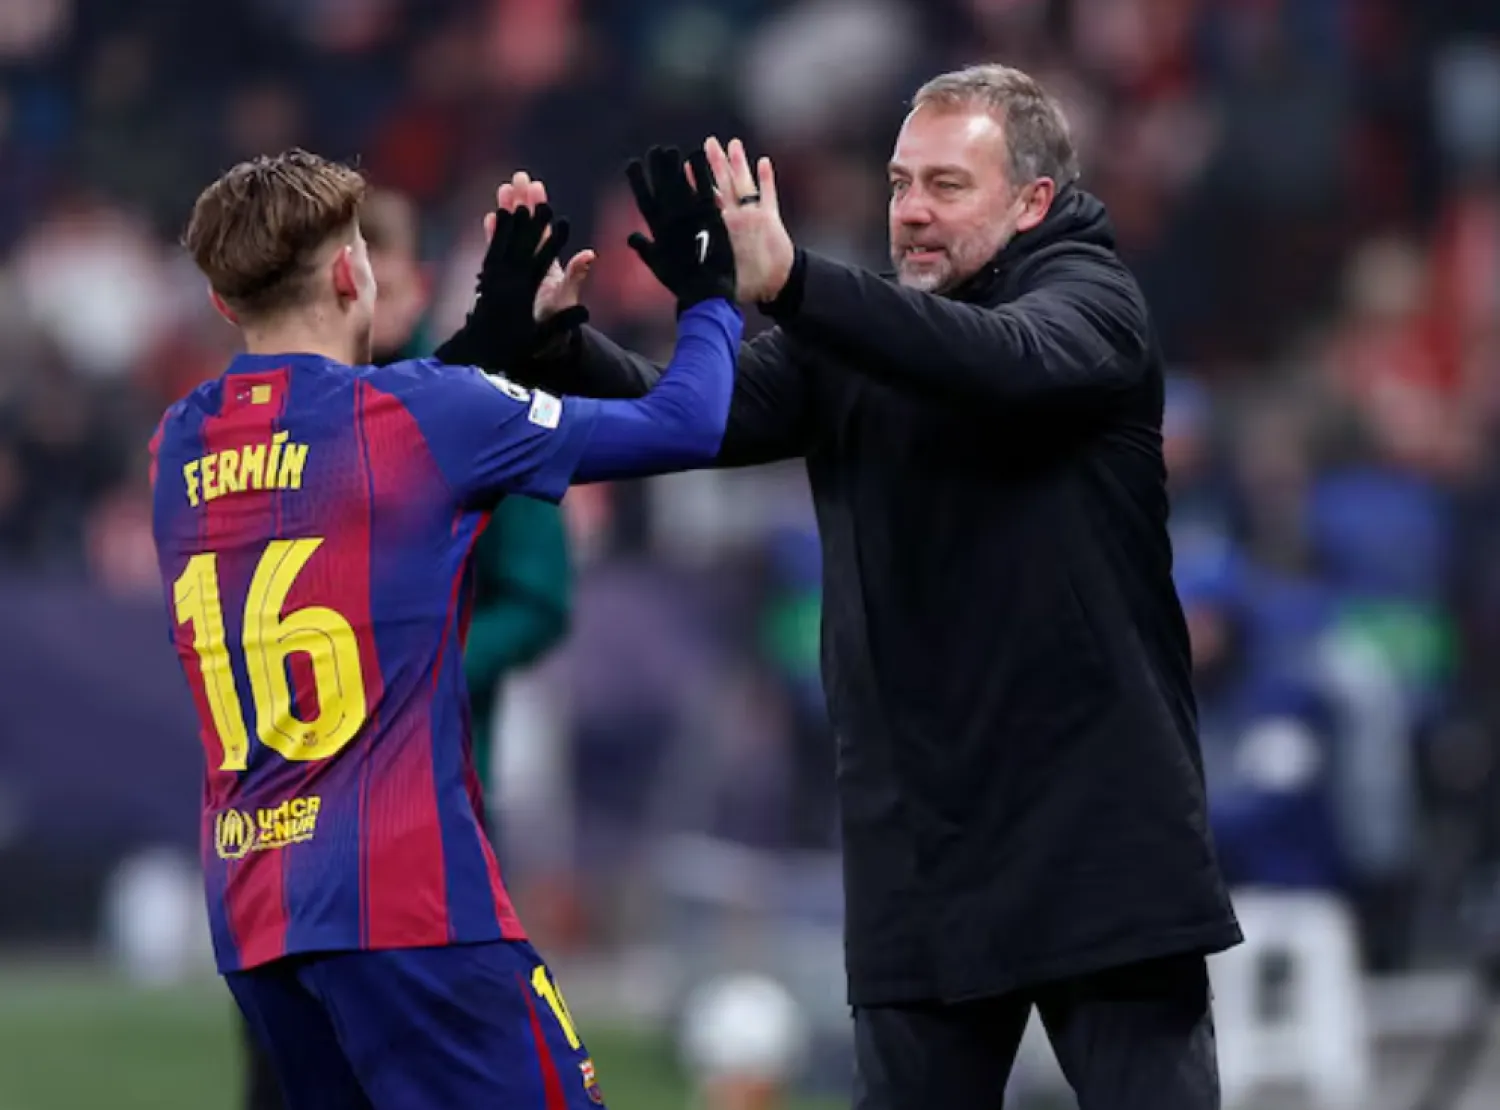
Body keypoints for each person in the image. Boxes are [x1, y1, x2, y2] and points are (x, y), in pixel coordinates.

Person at [505, 65, 1243, 1110]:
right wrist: (556, 341)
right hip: (921, 848)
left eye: (946, 186)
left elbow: (1005, 361)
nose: (910, 213)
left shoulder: (1094, 303)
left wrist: (798, 285)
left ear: (1032, 203)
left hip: (1094, 834)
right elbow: (689, 416)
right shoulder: (856, 337)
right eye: (900, 185)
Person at [150, 146, 740, 1109]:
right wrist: (710, 290)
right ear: (354, 273)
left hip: (257, 917)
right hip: (411, 904)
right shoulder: (427, 415)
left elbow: (353, 447)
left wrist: (487, 339)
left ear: (223, 304)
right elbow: (692, 419)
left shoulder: (178, 444)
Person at [236, 186, 582, 1110]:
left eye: (386, 288)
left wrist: (400, 676)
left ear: (414, 284)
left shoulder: (476, 411)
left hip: (429, 801)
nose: (366, 308)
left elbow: (541, 599)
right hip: (295, 816)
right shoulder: (289, 426)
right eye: (357, 285)